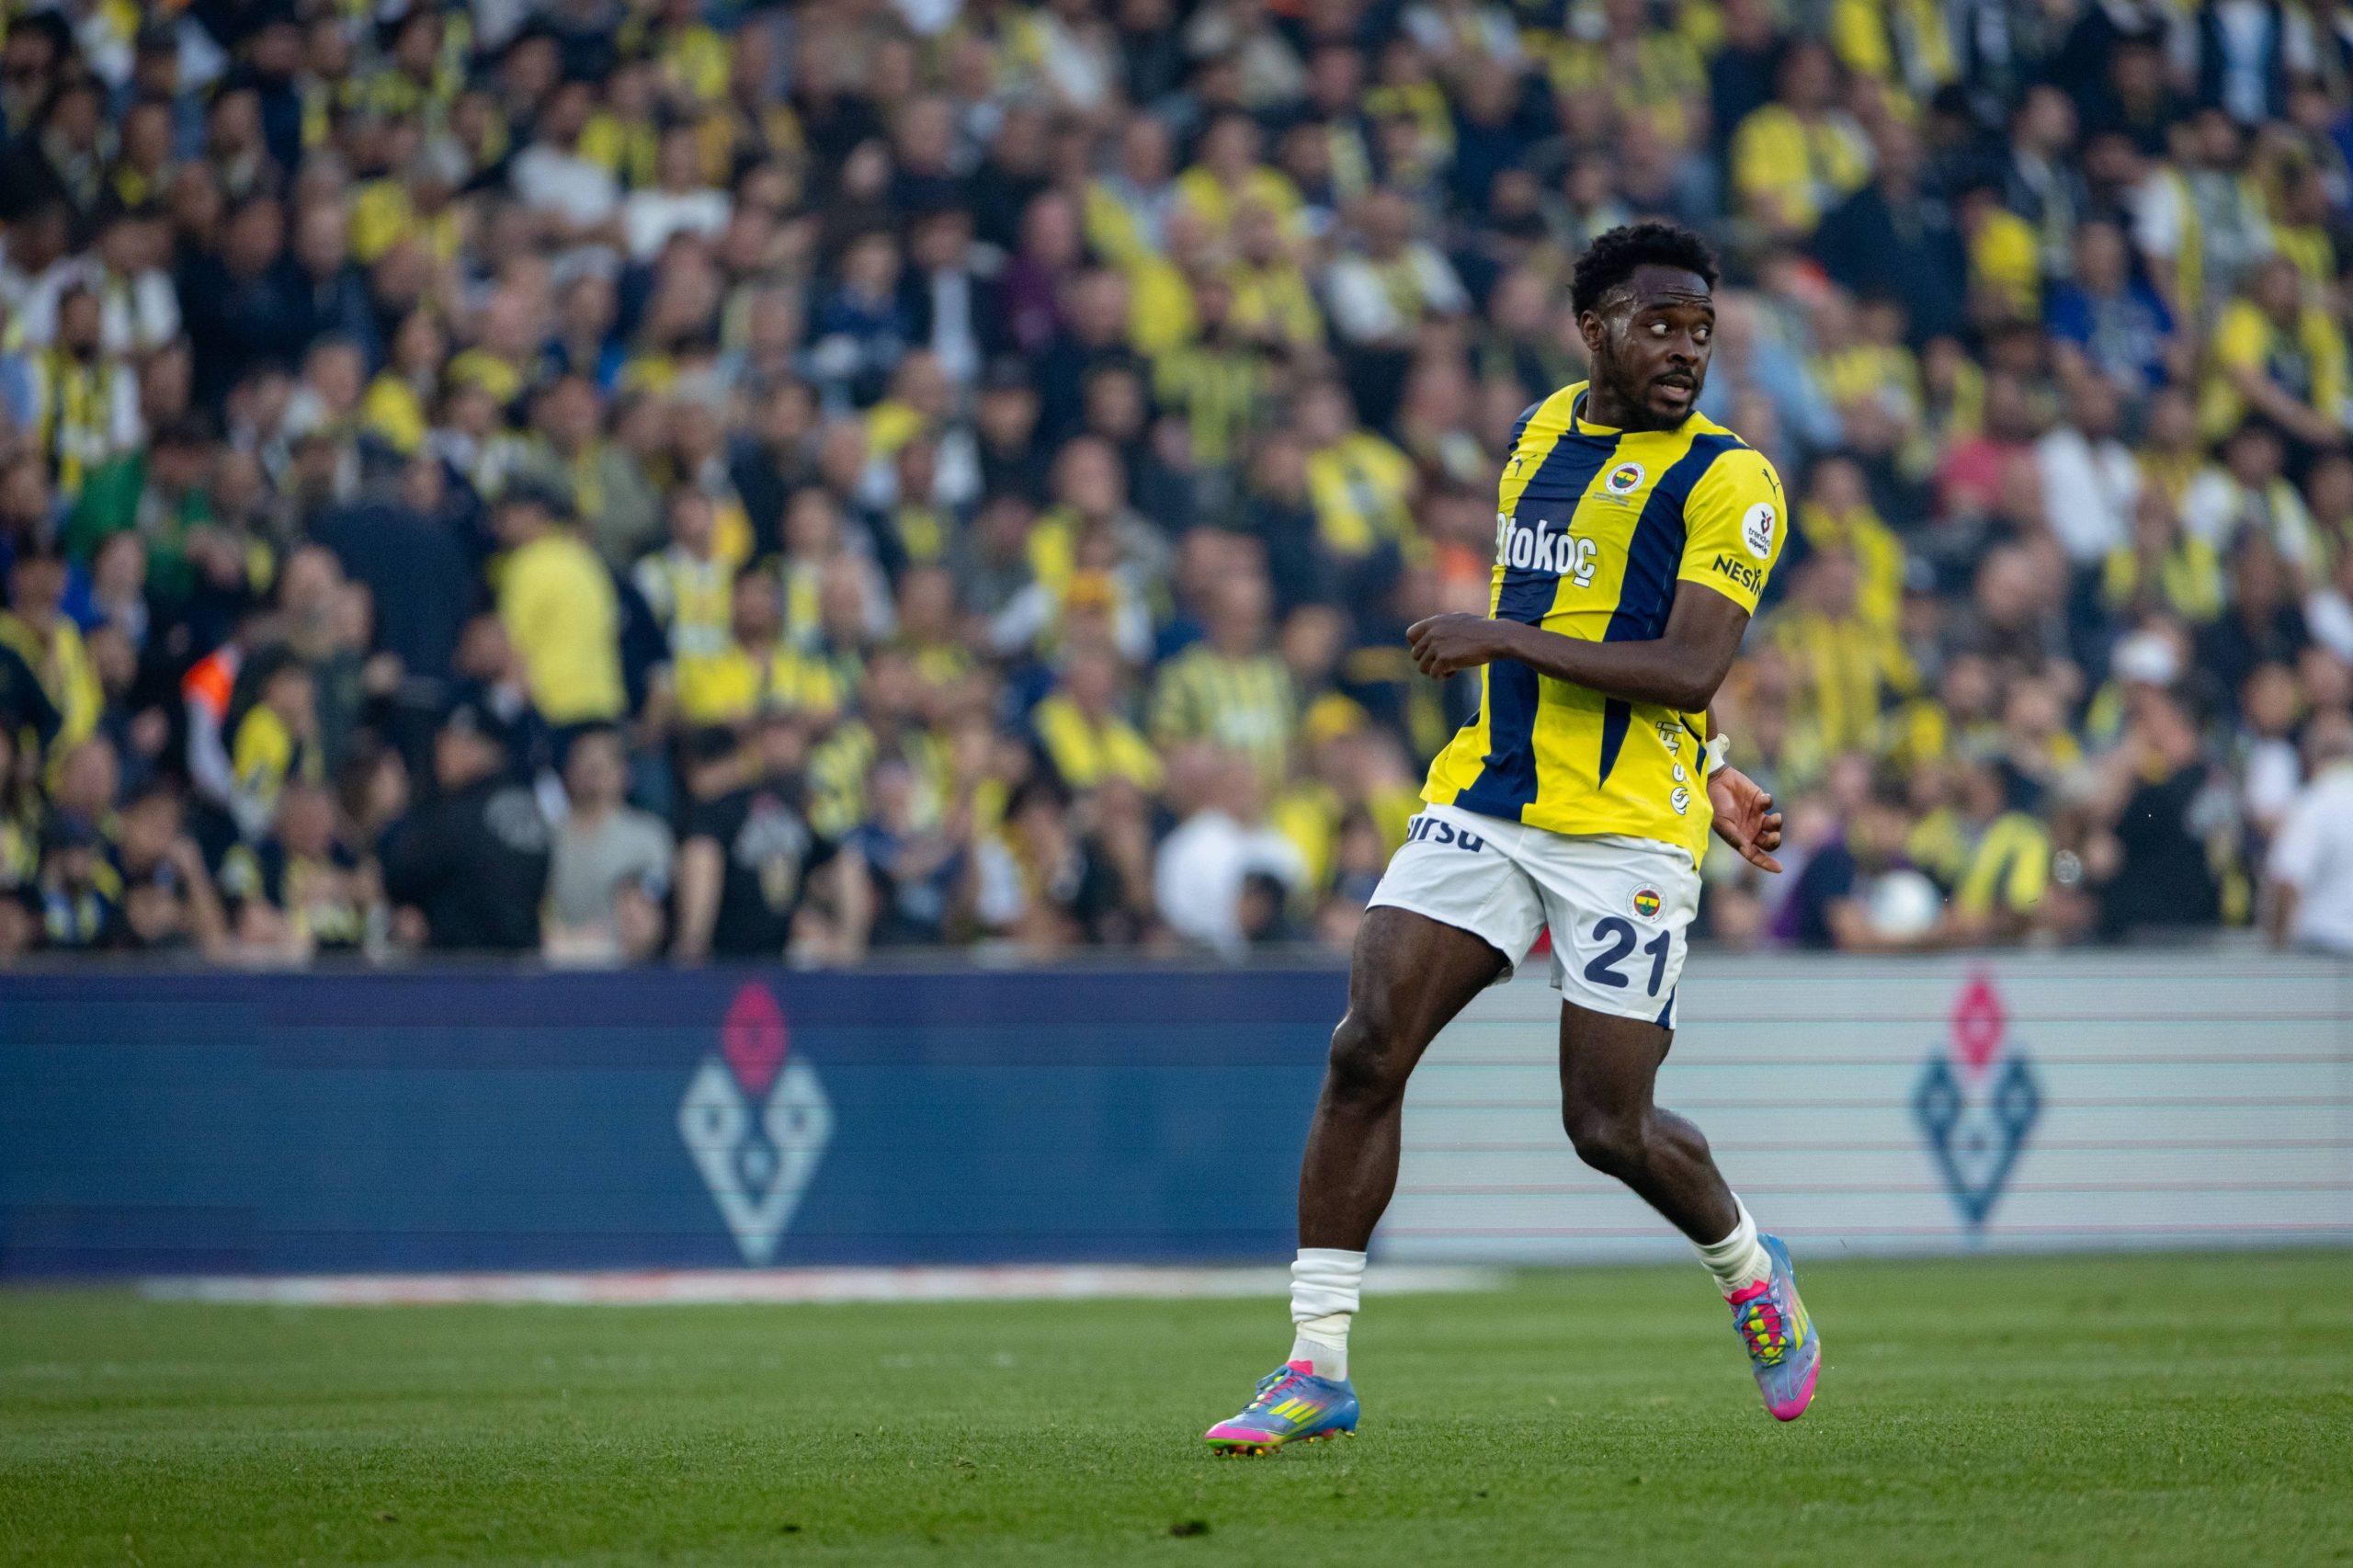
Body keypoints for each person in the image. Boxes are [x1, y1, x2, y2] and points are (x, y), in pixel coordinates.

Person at [1203, 223, 1816, 1455]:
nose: (1685, 351)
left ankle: (1749, 1263)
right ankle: (1316, 1361)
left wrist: (1513, 645)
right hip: (1488, 797)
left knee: (1606, 1126)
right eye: (1659, 325)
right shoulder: (1540, 435)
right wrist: (1716, 759)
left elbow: (1691, 661)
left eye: (1700, 330)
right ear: (1592, 327)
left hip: (1628, 839)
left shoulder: (1733, 481)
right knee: (1367, 1043)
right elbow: (1600, 618)